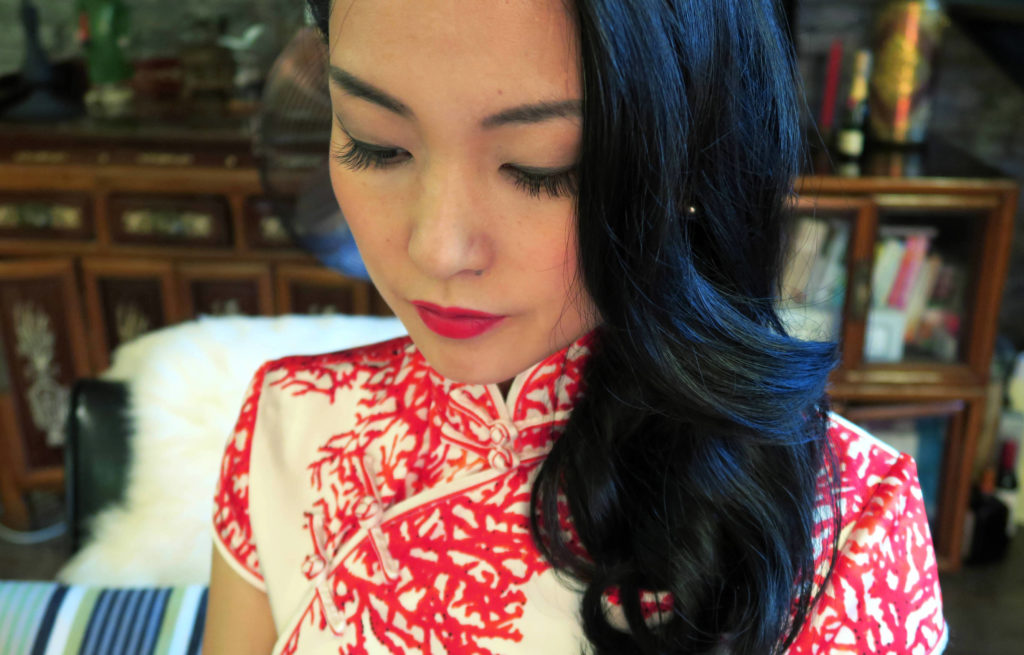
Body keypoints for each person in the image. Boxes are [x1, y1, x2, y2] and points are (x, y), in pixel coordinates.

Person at [203, 1, 947, 653]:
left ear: (688, 157)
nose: (436, 248)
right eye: (377, 143)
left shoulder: (849, 530)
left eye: (541, 166)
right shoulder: (286, 424)